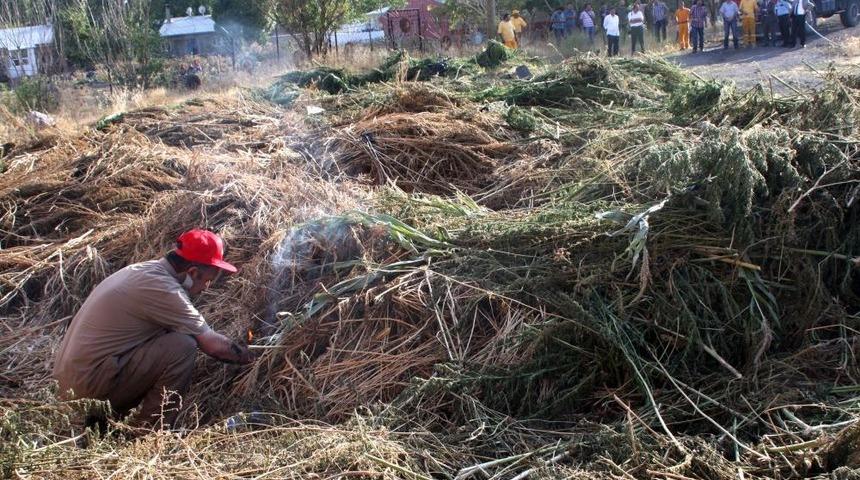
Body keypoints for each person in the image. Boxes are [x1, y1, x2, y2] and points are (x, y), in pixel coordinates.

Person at [53, 229, 254, 428]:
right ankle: (148, 433)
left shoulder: (142, 271)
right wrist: (250, 357)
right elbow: (213, 346)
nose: (207, 287)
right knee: (182, 346)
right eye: (208, 280)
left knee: (172, 335)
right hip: (86, 388)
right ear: (192, 272)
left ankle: (104, 422)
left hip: (73, 380)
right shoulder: (163, 289)